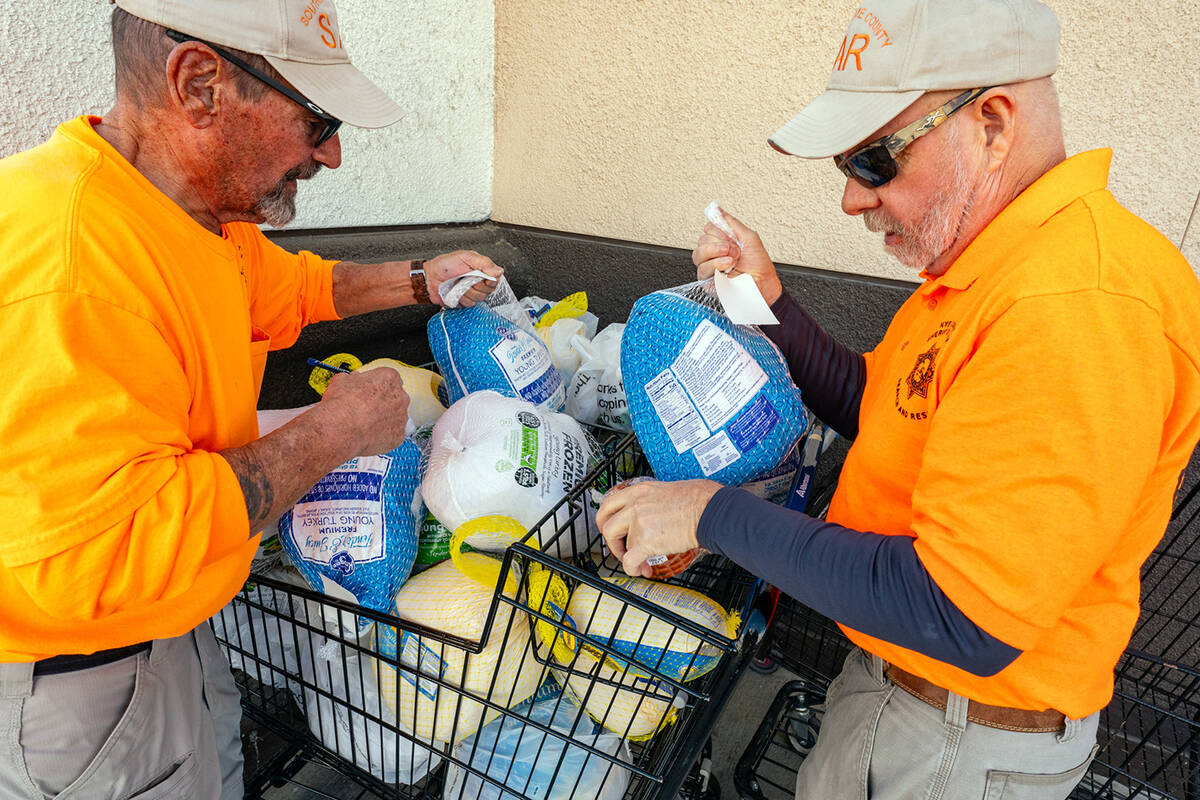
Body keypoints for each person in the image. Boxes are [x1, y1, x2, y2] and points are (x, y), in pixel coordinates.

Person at [597, 0, 1200, 797]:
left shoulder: (1073, 304)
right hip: (906, 688)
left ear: (991, 123)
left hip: (958, 733)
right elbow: (881, 408)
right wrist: (764, 302)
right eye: (845, 167)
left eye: (875, 161)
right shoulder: (990, 267)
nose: (850, 199)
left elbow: (963, 615)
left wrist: (707, 513)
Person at [0, 1, 502, 797]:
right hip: (86, 689)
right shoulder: (73, 269)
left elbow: (289, 288)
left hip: (174, 629)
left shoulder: (191, 215)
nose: (331, 154)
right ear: (199, 83)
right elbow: (99, 551)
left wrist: (419, 279)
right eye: (318, 119)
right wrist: (332, 434)